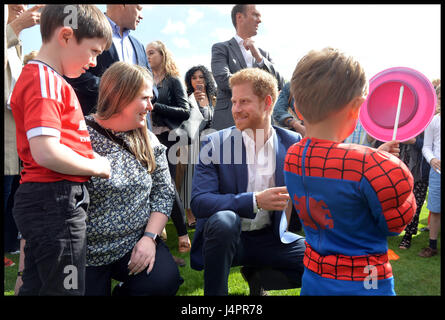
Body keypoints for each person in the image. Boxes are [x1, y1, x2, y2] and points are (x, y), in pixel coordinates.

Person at [284, 47, 415, 295]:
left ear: (298, 108)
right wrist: (386, 164)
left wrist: (375, 156)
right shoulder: (378, 167)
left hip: (314, 278)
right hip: (367, 283)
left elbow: (332, 158)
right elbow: (395, 225)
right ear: (357, 107)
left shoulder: (292, 156)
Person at [10, 5, 112, 296]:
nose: (93, 63)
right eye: (93, 51)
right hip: (55, 200)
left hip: (49, 200)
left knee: (39, 285)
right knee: (66, 289)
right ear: (66, 36)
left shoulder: (50, 79)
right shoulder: (44, 80)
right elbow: (46, 152)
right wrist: (97, 165)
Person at [190, 68, 306, 296]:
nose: (235, 109)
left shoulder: (292, 142)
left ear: (267, 102)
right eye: (234, 102)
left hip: (271, 239)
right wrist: (255, 201)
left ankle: (259, 278)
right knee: (225, 220)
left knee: (324, 262)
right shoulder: (214, 143)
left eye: (244, 101)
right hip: (227, 240)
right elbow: (200, 202)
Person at [83, 62, 184, 295]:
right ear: (120, 95)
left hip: (134, 243)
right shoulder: (81, 136)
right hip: (86, 254)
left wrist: (149, 238)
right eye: (145, 98)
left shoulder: (147, 139)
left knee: (162, 281)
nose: (151, 106)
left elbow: (163, 192)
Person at [146, 40, 191, 264]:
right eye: (146, 53)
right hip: (146, 138)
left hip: (169, 138)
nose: (148, 56)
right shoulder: (144, 79)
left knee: (168, 186)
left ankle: (182, 234)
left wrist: (157, 106)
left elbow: (185, 111)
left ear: (163, 55)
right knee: (148, 187)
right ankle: (156, 238)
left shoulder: (172, 81)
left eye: (152, 52)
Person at [4, 4, 43, 267]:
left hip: (13, 135)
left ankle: (7, 245)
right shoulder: (12, 34)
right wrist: (16, 27)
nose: (21, 9)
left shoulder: (15, 43)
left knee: (9, 193)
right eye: (15, 5)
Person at [65, 4, 154, 117]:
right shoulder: (85, 29)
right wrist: (117, 90)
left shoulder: (139, 46)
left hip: (139, 129)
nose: (141, 16)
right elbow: (72, 71)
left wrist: (141, 94)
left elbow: (152, 86)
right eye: (139, 9)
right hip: (98, 124)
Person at [211, 4, 284, 130]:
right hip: (230, 123)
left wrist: (259, 57)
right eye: (255, 15)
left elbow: (279, 83)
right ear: (239, 17)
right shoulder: (221, 48)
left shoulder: (263, 54)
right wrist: (259, 88)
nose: (259, 20)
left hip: (261, 127)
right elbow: (223, 80)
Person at [181, 64, 217, 228]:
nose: (197, 80)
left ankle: (209, 208)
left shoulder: (214, 97)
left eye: (201, 77)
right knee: (191, 176)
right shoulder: (187, 97)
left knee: (211, 177)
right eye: (194, 78)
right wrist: (198, 103)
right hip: (194, 142)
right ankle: (189, 213)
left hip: (213, 143)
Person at [419, 84, 441, 257]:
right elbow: (426, 146)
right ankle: (432, 246)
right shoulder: (433, 121)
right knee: (434, 209)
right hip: (437, 172)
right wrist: (431, 159)